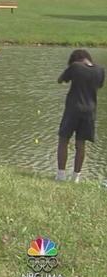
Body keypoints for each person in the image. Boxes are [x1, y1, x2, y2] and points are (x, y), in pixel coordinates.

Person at [55, 49, 104, 182]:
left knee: (63, 139)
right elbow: (98, 86)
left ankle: (61, 176)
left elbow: (61, 80)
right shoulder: (100, 70)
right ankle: (76, 178)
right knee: (81, 143)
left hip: (73, 109)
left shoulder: (75, 67)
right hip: (90, 112)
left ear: (75, 59)